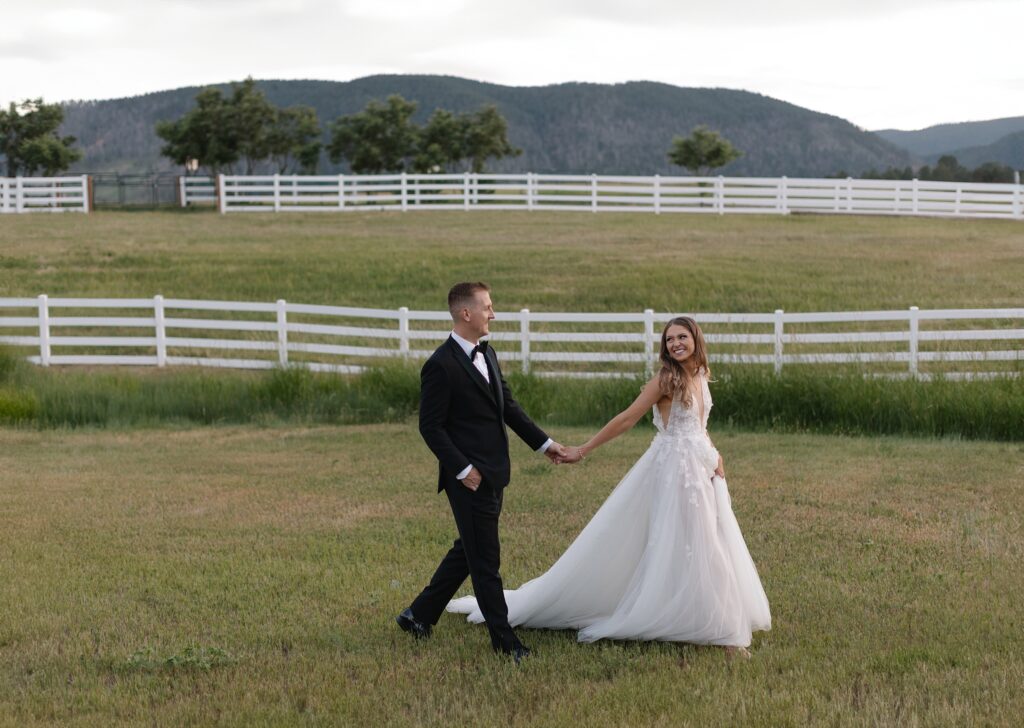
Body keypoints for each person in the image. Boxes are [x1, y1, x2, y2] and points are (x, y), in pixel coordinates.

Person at [448, 316, 771, 657]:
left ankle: (704, 614)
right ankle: (721, 631)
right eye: (670, 339)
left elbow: (698, 425)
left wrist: (714, 453)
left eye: (682, 337)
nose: (676, 343)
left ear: (696, 339)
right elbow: (627, 419)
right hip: (674, 470)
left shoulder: (701, 375)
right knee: (692, 540)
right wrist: (584, 449)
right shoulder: (666, 379)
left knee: (707, 539)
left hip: (700, 468)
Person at [396, 281, 568, 664]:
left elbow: (509, 407)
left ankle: (418, 615)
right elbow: (431, 427)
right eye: (488, 307)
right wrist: (463, 469)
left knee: (468, 550)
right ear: (465, 314)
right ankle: (506, 644)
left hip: (495, 473)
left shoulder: (486, 355)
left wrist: (545, 444)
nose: (493, 314)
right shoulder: (439, 365)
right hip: (469, 479)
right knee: (486, 561)